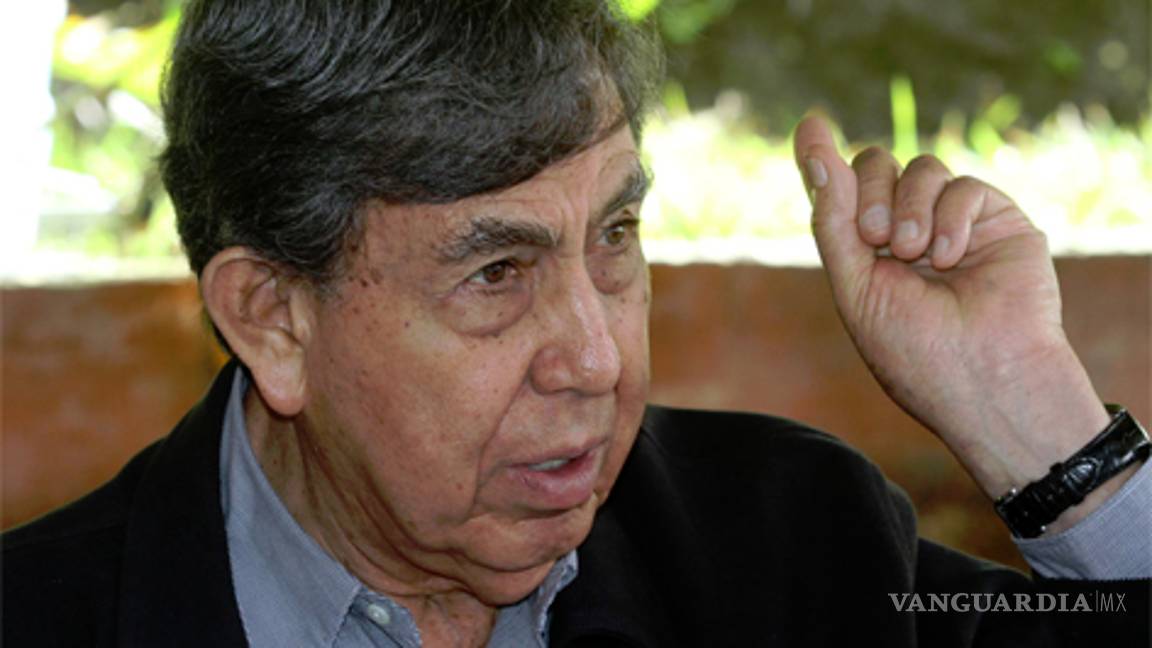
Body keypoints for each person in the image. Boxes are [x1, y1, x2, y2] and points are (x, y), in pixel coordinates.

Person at [4, 1, 1149, 646]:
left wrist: (1044, 432)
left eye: (615, 236)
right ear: (273, 321)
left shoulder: (793, 547)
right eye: (497, 273)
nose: (597, 361)